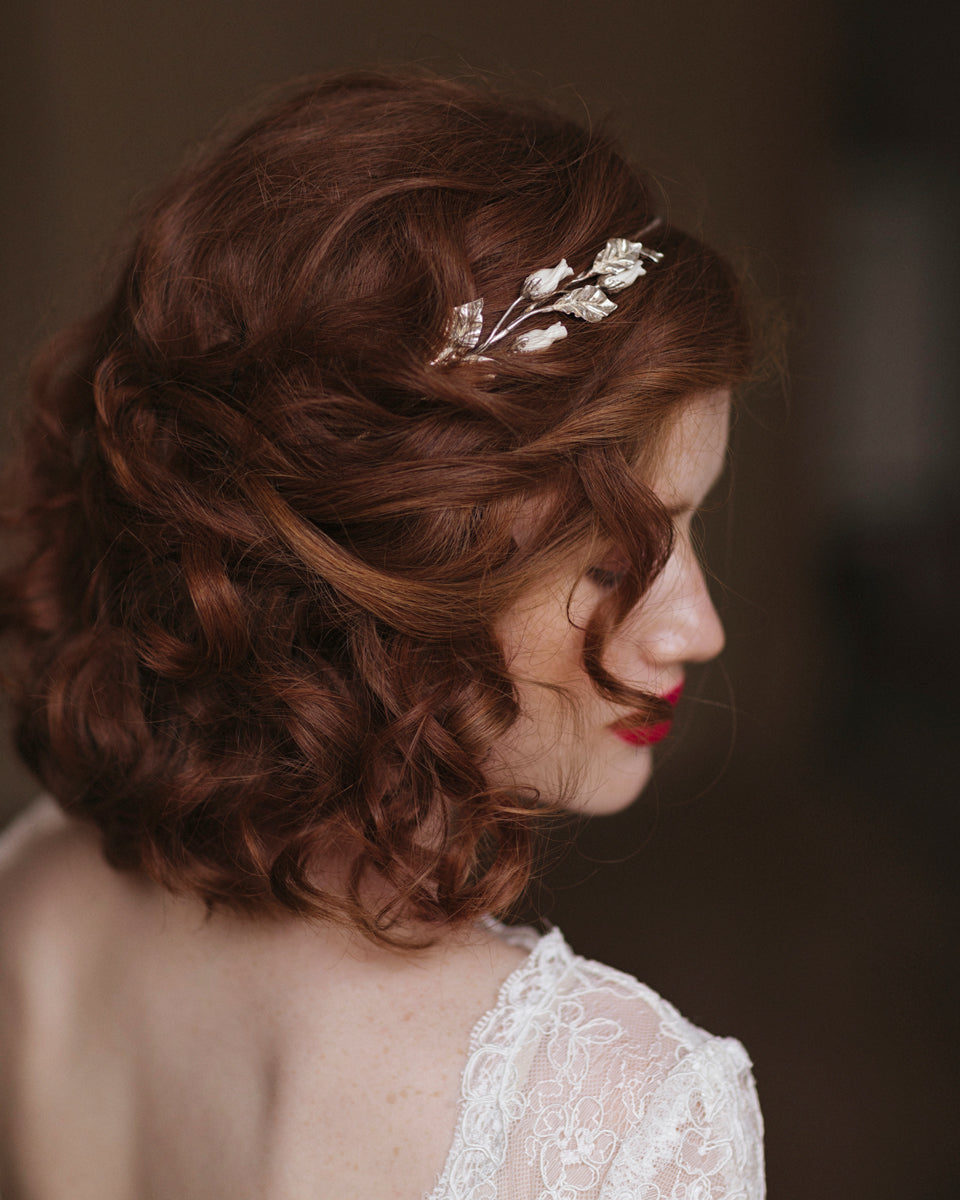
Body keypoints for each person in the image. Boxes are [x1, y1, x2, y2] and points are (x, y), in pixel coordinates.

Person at [0, 71, 764, 1198]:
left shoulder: (38, 893)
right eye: (616, 561)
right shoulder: (616, 1116)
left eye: (691, 535)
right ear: (395, 568)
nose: (698, 628)